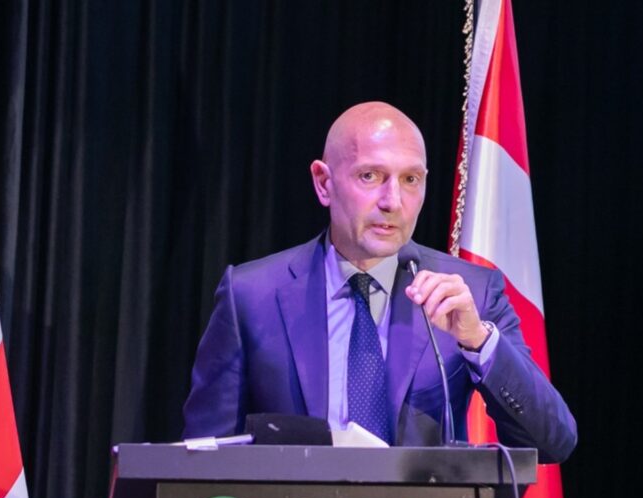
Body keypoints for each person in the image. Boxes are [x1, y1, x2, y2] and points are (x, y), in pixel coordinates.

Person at [183, 102, 576, 463]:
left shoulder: (470, 294)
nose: (393, 201)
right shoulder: (251, 296)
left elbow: (552, 441)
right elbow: (201, 461)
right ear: (324, 183)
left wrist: (478, 340)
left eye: (410, 179)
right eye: (370, 176)